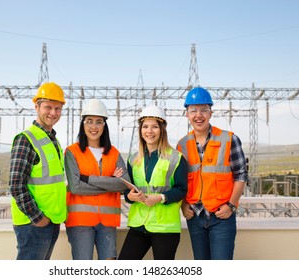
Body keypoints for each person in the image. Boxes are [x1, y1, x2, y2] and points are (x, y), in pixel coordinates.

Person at [176, 87, 249, 260]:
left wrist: (230, 206)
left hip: (221, 216)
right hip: (195, 216)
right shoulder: (182, 145)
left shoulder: (229, 139)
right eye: (193, 110)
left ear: (210, 112)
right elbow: (179, 181)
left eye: (203, 110)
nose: (198, 115)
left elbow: (241, 175)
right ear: (187, 114)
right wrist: (183, 205)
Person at [117, 105, 188, 260]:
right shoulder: (133, 159)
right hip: (139, 225)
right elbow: (127, 193)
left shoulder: (176, 158)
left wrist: (161, 198)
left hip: (165, 228)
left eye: (154, 126)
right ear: (140, 130)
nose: (149, 131)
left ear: (162, 129)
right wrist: (130, 196)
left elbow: (182, 189)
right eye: (145, 126)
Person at [9, 82, 67, 260]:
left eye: (58, 108)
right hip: (33, 223)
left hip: (50, 221)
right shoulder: (26, 139)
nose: (53, 113)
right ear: (36, 106)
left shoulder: (53, 141)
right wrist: (38, 218)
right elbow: (16, 185)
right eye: (48, 107)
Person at [64, 99, 129, 260]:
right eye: (89, 121)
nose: (94, 127)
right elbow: (76, 187)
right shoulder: (72, 152)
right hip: (80, 222)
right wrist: (110, 183)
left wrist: (87, 179)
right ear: (83, 124)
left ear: (104, 126)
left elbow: (124, 184)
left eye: (99, 122)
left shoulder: (113, 153)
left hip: (107, 222)